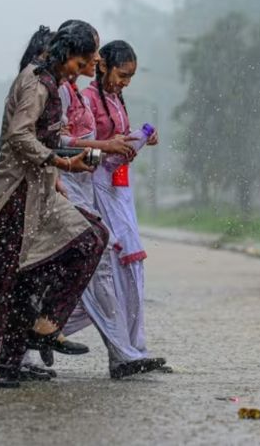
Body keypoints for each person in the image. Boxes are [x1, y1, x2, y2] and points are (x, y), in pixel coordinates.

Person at [0, 23, 108, 389]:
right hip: (17, 193)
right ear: (64, 54)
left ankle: (40, 330)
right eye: (82, 60)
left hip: (40, 190)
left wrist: (63, 165)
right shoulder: (37, 82)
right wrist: (61, 163)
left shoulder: (54, 84)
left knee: (90, 238)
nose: (83, 68)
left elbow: (47, 136)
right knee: (4, 275)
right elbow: (18, 135)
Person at [25, 24, 166, 379]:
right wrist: (106, 147)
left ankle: (124, 350)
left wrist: (132, 140)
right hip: (78, 184)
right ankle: (113, 351)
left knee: (118, 272)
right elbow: (47, 141)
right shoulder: (61, 92)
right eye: (89, 56)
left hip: (103, 187)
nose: (93, 60)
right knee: (98, 268)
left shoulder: (81, 92)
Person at [82, 40, 167, 375]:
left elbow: (115, 143)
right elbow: (82, 148)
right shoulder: (86, 101)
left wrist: (137, 138)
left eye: (130, 77)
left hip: (120, 189)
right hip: (96, 189)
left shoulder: (116, 100)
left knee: (131, 270)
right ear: (102, 65)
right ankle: (122, 352)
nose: (125, 82)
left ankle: (134, 348)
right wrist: (110, 148)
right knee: (109, 271)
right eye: (122, 74)